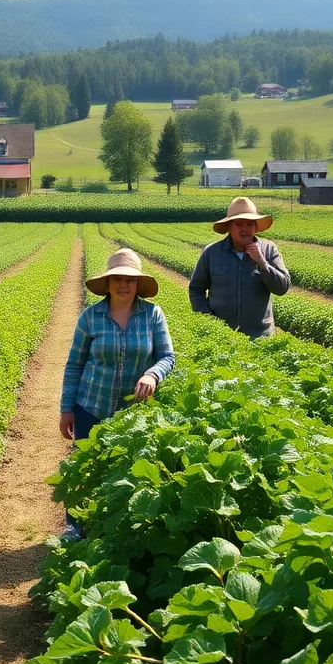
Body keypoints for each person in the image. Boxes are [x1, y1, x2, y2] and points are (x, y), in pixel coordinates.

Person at [59, 248, 175, 537]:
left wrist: (152, 374)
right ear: (108, 284)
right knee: (85, 469)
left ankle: (116, 533)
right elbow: (75, 363)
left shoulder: (152, 315)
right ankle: (76, 529)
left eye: (130, 280)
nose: (124, 285)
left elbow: (167, 356)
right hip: (91, 405)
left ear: (138, 285)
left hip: (132, 412)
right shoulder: (90, 317)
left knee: (127, 471)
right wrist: (66, 408)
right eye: (117, 279)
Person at [188, 196, 291, 338]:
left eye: (249, 224)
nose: (245, 229)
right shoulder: (211, 253)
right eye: (239, 224)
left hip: (260, 337)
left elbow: (282, 288)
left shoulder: (268, 250)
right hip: (221, 336)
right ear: (229, 226)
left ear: (255, 227)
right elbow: (196, 289)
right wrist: (208, 320)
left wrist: (262, 263)